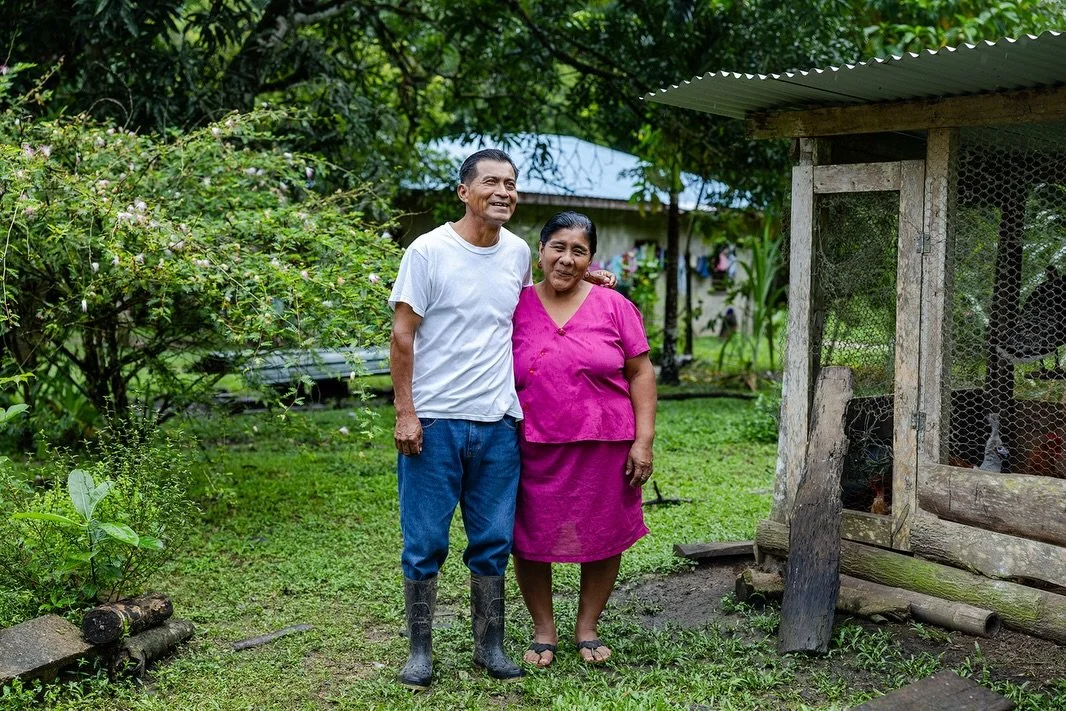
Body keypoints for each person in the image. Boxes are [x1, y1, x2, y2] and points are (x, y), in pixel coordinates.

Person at [388, 151, 615, 689]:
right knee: (425, 542)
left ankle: (489, 645)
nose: (503, 191)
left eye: (510, 183)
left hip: (499, 422)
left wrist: (591, 276)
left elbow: (545, 293)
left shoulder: (516, 253)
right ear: (463, 191)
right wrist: (405, 412)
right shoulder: (428, 252)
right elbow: (402, 335)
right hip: (436, 420)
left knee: (492, 539)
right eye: (490, 182)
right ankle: (420, 652)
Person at [510, 211, 657, 667]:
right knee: (529, 536)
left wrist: (644, 440)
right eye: (558, 247)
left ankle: (587, 626)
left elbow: (641, 372)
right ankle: (543, 629)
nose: (567, 259)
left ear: (592, 257)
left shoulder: (615, 306)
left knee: (603, 533)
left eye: (579, 251)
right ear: (540, 251)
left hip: (605, 443)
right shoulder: (513, 303)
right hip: (530, 444)